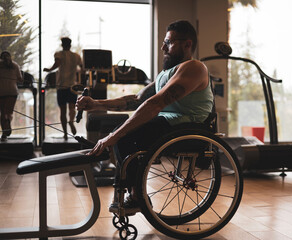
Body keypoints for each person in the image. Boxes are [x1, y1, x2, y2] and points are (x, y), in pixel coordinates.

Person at [76, 20, 213, 210]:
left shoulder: (194, 68)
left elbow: (155, 104)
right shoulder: (165, 74)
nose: (163, 47)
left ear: (187, 44)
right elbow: (137, 99)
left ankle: (136, 196)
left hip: (189, 127)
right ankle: (134, 193)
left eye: (169, 42)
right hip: (169, 124)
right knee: (123, 134)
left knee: (124, 135)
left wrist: (113, 137)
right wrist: (96, 104)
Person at [44, 37, 82, 140]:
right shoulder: (76, 56)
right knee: (72, 108)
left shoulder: (59, 54)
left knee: (63, 111)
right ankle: (71, 121)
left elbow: (58, 63)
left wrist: (49, 69)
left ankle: (65, 133)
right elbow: (82, 67)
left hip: (61, 86)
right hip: (72, 86)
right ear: (70, 45)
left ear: (62, 45)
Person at [0, 51, 23, 141]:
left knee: (2, 113)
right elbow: (20, 80)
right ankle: (8, 120)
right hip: (12, 91)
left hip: (1, 91)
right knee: (9, 112)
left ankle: (4, 134)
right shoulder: (15, 65)